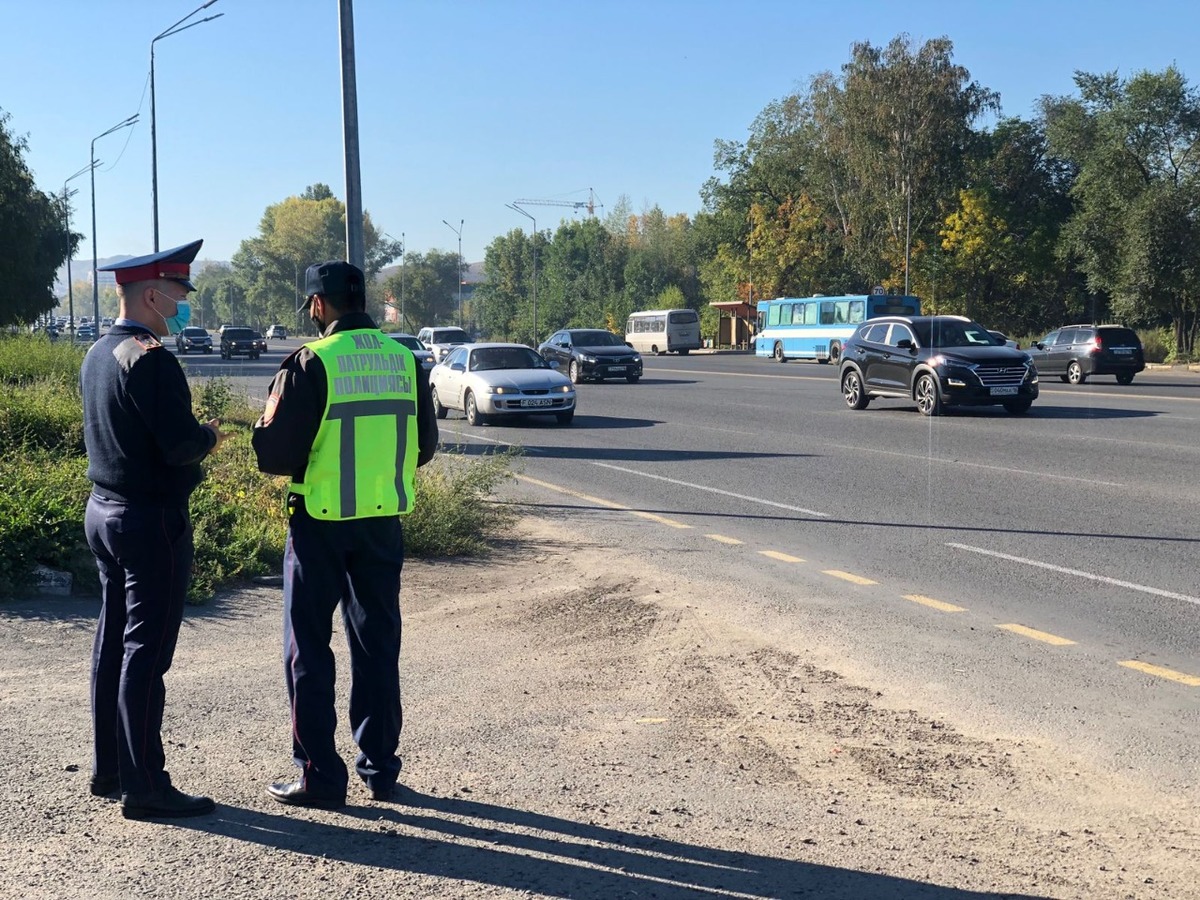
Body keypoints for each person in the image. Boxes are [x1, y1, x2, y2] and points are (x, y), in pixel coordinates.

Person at [252, 260, 438, 808]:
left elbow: (277, 455)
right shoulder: (406, 361)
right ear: (365, 303)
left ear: (318, 305)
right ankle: (380, 769)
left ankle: (319, 776)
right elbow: (424, 447)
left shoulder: (311, 362)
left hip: (320, 525)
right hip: (382, 523)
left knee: (308, 648)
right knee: (378, 646)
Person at [82, 239, 231, 820]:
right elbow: (178, 446)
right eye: (177, 295)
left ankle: (112, 768)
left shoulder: (99, 351)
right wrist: (209, 437)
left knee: (111, 640)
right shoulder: (152, 359)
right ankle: (145, 786)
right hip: (149, 521)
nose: (181, 306)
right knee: (145, 652)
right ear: (150, 294)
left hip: (104, 511)